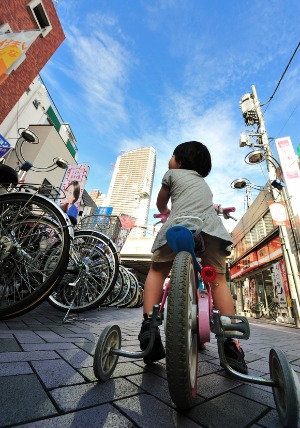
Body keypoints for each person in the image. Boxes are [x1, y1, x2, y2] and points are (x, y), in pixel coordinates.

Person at [138, 141, 247, 374]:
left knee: (157, 271)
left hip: (178, 225)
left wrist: (165, 212)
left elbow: (160, 202)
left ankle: (149, 326)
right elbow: (203, 204)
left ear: (179, 161)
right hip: (210, 230)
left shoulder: (172, 174)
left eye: (172, 156)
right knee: (217, 280)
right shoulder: (205, 185)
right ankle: (230, 342)